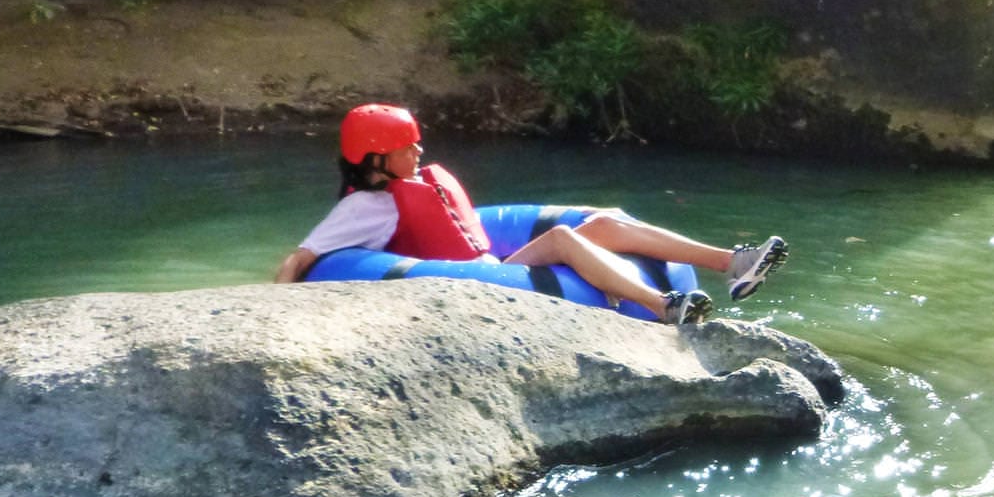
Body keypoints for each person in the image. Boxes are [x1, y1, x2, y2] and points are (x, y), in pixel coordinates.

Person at [274, 103, 787, 324]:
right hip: (485, 278)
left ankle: (731, 264)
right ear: (375, 158)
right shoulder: (364, 206)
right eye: (406, 146)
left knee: (604, 220)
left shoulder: (401, 189)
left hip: (490, 265)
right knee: (565, 240)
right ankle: (662, 305)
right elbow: (302, 256)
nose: (419, 151)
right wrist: (275, 304)